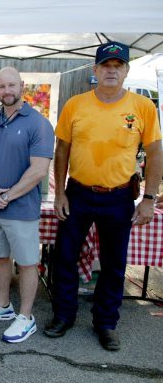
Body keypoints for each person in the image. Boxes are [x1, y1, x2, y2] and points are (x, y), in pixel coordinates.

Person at [44, 41, 163, 351]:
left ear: (125, 70)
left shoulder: (143, 107)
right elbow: (62, 151)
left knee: (113, 264)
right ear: (95, 70)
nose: (112, 71)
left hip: (119, 197)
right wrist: (59, 194)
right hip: (79, 193)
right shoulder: (76, 104)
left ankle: (106, 323)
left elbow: (155, 152)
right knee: (65, 257)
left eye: (117, 66)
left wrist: (149, 198)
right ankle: (64, 316)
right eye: (105, 66)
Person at [0, 67, 54, 343]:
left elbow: (38, 170)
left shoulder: (38, 124)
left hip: (20, 210)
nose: (7, 91)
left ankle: (26, 317)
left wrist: (6, 196)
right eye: (2, 86)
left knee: (28, 262)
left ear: (22, 86)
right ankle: (3, 306)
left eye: (11, 85)